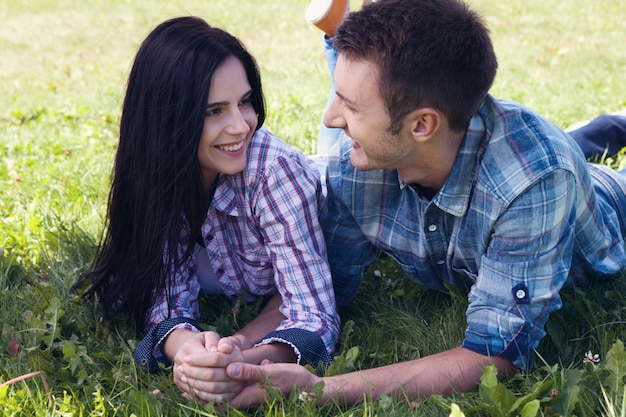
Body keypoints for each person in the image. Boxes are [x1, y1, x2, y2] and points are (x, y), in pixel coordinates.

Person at [201, 0, 625, 407]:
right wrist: (242, 349)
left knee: (571, 162)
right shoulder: (356, 163)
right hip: (486, 152)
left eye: (349, 106)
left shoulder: (533, 182)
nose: (330, 119)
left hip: (608, 206)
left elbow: (494, 356)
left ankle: (602, 130)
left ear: (422, 124)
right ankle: (596, 132)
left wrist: (319, 388)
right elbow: (320, 288)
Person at [72, 16, 339, 403]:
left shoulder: (276, 174)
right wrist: (188, 353)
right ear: (166, 120)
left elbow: (314, 313)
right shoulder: (155, 176)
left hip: (327, 183)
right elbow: (164, 303)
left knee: (343, 139)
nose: (239, 126)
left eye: (245, 102)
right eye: (214, 111)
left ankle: (341, 34)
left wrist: (243, 362)